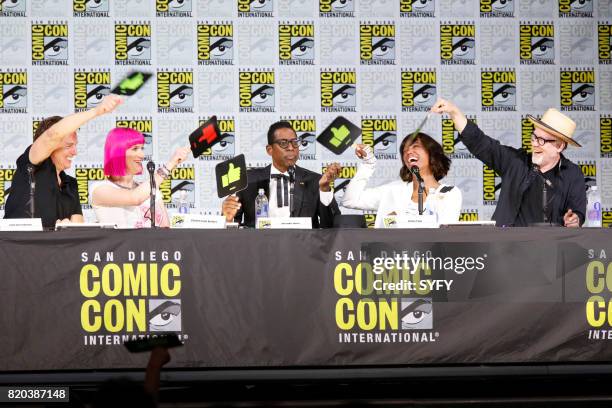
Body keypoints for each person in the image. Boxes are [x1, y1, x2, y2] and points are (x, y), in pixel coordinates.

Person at [431, 98, 586, 227]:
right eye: (534, 137)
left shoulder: (572, 174)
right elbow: (481, 143)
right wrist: (454, 112)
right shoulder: (515, 161)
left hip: (547, 251)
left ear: (559, 146)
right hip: (505, 247)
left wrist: (574, 219)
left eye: (542, 140)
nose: (535, 144)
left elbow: (577, 212)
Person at [4, 94, 122, 229]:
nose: (75, 152)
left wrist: (68, 229)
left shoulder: (71, 184)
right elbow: (52, 135)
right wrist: (96, 111)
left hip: (56, 249)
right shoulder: (30, 164)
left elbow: (78, 227)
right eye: (68, 146)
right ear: (51, 147)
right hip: (17, 248)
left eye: (75, 145)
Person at [222, 121, 341, 228]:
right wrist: (228, 218)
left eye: (295, 142)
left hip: (302, 248)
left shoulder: (315, 181)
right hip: (259, 248)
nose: (291, 148)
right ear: (270, 150)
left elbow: (331, 226)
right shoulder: (248, 180)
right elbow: (233, 230)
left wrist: (325, 190)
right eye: (283, 143)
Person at [342, 133, 462, 228]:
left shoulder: (449, 193)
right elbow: (350, 200)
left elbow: (445, 232)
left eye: (416, 146)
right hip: (389, 257)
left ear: (432, 154)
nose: (409, 152)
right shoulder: (393, 190)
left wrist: (399, 219)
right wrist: (368, 164)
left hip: (432, 258)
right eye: (405, 151)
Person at [91, 127, 190, 228]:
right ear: (118, 152)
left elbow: (165, 228)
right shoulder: (99, 189)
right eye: (135, 149)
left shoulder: (150, 189)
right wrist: (171, 163)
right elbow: (135, 198)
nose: (142, 155)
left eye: (142, 148)